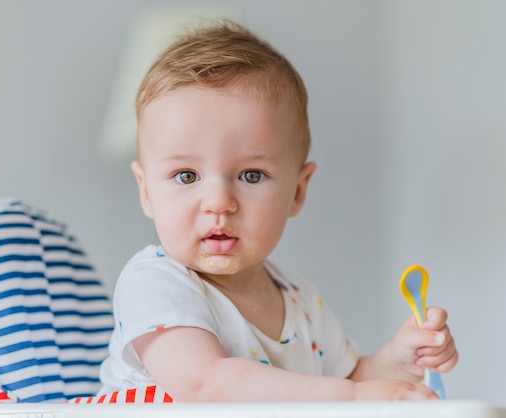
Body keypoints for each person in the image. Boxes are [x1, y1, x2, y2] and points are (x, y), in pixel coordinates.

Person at [97, 19, 458, 402]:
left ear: (298, 191)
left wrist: (398, 363)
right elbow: (209, 386)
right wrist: (355, 399)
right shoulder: (156, 284)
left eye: (251, 175)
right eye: (186, 175)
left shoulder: (300, 298)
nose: (219, 202)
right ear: (147, 192)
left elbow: (345, 378)